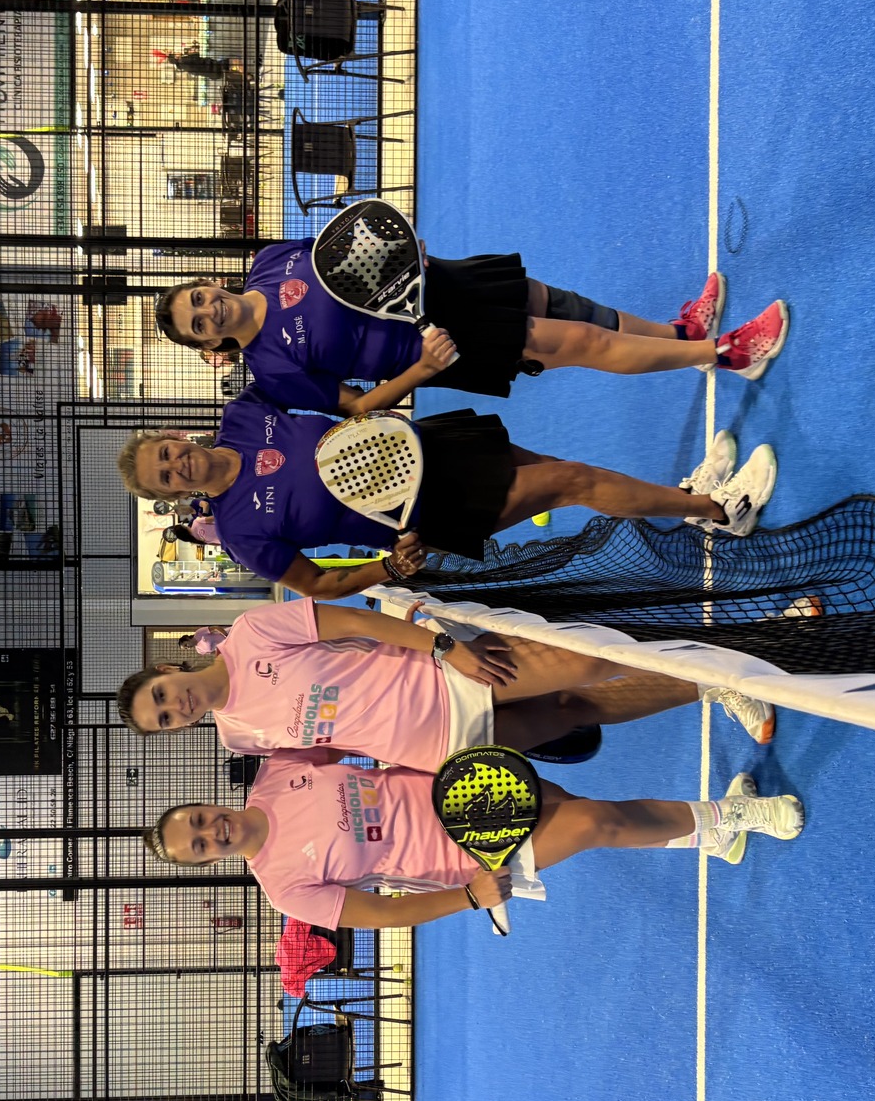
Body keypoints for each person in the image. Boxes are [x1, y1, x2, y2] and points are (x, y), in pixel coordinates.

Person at [116, 386, 776, 599]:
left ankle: (687, 499)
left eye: (167, 454)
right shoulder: (240, 533)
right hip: (422, 513)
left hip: (424, 445)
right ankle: (719, 510)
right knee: (570, 483)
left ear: (175, 436)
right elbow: (314, 584)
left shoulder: (243, 412)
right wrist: (388, 567)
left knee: (556, 466)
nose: (178, 466)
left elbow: (337, 399)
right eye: (165, 477)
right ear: (170, 495)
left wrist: (383, 401)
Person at [144, 754, 805, 928]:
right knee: (593, 825)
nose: (209, 831)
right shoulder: (284, 888)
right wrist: (468, 896)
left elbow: (359, 728)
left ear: (205, 804)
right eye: (199, 846)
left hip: (462, 786)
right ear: (208, 860)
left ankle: (708, 835)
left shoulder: (278, 771)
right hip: (465, 853)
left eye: (197, 819)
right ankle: (735, 816)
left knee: (585, 808)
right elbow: (384, 913)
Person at [118, 594, 778, 759]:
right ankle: (715, 682)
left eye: (161, 695)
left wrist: (443, 648)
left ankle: (761, 636)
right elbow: (334, 752)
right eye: (166, 719)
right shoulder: (239, 735)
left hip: (445, 676)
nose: (176, 706)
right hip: (440, 744)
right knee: (577, 709)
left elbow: (358, 622)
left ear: (167, 669)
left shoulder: (253, 632)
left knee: (592, 660)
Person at [154, 249, 787, 415]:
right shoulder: (271, 371)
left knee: (556, 300)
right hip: (435, 343)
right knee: (577, 343)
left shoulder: (270, 262)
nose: (209, 311)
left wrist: (407, 253)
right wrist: (423, 370)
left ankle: (680, 333)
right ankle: (724, 354)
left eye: (199, 298)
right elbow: (355, 407)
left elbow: (348, 254)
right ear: (208, 345)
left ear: (208, 284)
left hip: (441, 285)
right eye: (198, 323)